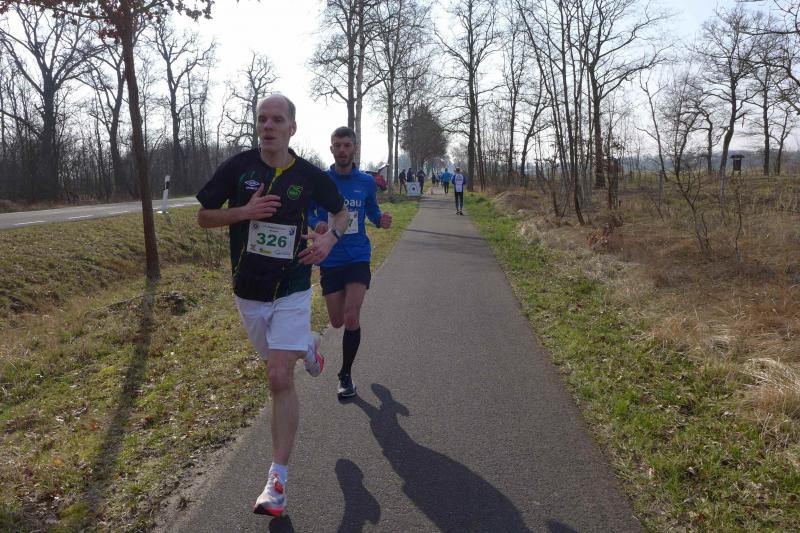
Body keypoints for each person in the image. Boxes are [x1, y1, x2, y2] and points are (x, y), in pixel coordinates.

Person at [196, 94, 349, 518]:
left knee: (279, 375)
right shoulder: (238, 168)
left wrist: (328, 240)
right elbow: (204, 216)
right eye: (262, 119)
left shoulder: (309, 175)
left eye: (277, 119)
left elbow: (341, 215)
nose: (268, 125)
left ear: (292, 128)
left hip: (293, 285)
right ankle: (309, 346)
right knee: (281, 360)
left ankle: (276, 482)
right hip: (248, 290)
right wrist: (244, 212)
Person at [308, 126, 392, 400]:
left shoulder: (366, 182)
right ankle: (315, 347)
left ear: (354, 148)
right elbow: (308, 211)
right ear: (331, 148)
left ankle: (345, 375)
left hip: (358, 256)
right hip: (331, 258)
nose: (342, 150)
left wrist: (380, 220)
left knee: (351, 315)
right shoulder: (321, 180)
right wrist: (316, 223)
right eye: (337, 145)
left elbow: (372, 211)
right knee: (336, 322)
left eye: (347, 145)